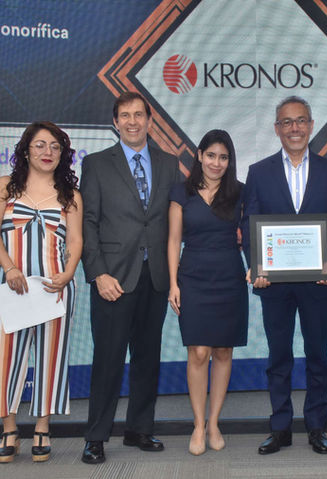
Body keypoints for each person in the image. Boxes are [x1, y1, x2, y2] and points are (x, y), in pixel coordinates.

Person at [241, 96, 327, 455]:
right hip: (273, 283)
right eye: (287, 122)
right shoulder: (258, 173)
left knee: (317, 354)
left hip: (319, 282)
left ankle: (317, 427)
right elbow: (249, 223)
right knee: (279, 357)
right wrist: (256, 266)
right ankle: (280, 428)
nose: (294, 128)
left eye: (301, 120)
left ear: (311, 125)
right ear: (277, 129)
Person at [80, 92, 179, 464]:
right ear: (115, 122)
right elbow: (88, 222)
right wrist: (98, 273)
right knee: (108, 360)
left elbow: (174, 219)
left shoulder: (169, 163)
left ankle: (139, 429)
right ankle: (96, 437)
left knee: (147, 358)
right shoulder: (96, 164)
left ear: (150, 121)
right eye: (125, 115)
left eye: (139, 114)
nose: (133, 121)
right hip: (113, 280)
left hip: (155, 277)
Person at [0, 121, 83, 463]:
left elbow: (75, 240)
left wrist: (68, 274)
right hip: (11, 289)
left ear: (62, 154)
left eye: (55, 147)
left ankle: (42, 427)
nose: (47, 152)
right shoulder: (5, 186)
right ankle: (8, 428)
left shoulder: (70, 195)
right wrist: (9, 268)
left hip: (54, 289)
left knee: (51, 358)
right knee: (6, 359)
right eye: (40, 145)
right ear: (25, 150)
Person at [168, 129, 248, 455]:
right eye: (211, 155)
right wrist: (173, 283)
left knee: (224, 351)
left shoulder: (240, 192)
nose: (217, 162)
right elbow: (173, 240)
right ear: (200, 155)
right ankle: (198, 425)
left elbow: (252, 233)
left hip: (229, 277)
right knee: (199, 352)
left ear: (230, 161)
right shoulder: (181, 192)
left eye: (223, 157)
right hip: (193, 277)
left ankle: (214, 423)